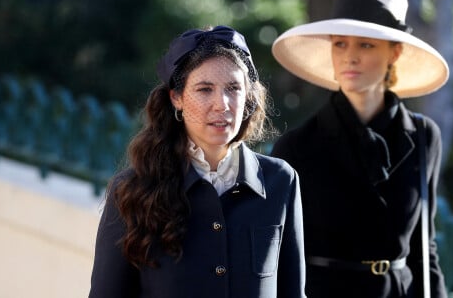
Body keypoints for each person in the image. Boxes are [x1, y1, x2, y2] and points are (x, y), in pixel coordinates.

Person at [89, 25, 306, 298]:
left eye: (233, 88)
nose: (222, 104)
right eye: (205, 89)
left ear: (248, 96)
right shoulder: (131, 190)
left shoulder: (280, 181)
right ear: (176, 98)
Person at [270, 0, 449, 297]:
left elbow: (425, 247)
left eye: (365, 45)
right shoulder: (297, 147)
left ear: (394, 52)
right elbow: (281, 256)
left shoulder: (424, 137)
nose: (350, 57)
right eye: (340, 44)